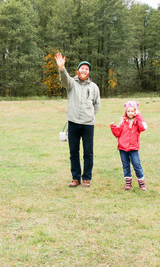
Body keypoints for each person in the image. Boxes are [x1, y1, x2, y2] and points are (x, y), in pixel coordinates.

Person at [55, 53, 101, 188]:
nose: (84, 70)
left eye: (86, 69)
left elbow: (97, 104)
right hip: (73, 123)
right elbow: (64, 79)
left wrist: (90, 116)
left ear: (89, 72)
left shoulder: (94, 87)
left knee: (88, 152)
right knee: (73, 152)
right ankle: (75, 178)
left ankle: (86, 178)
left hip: (88, 125)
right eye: (82, 68)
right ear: (78, 70)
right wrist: (62, 68)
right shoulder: (71, 84)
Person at [110, 101, 148, 191]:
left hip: (133, 148)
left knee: (137, 165)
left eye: (132, 111)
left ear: (136, 111)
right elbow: (118, 133)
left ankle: (141, 183)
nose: (130, 113)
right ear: (126, 112)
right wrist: (113, 127)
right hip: (122, 148)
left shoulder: (137, 122)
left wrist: (139, 115)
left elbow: (144, 127)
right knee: (126, 165)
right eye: (128, 111)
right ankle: (128, 183)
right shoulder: (123, 121)